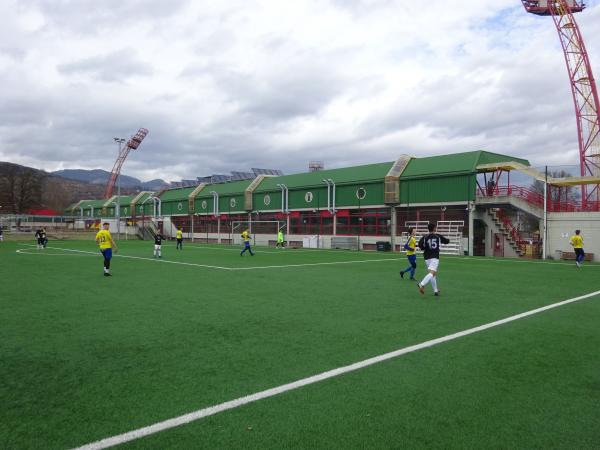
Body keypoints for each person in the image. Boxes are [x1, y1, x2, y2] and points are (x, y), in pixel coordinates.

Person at [417, 223, 450, 296]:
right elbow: (446, 241)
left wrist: (424, 247)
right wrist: (448, 240)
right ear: (434, 228)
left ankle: (435, 291)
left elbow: (420, 245)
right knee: (432, 273)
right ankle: (421, 284)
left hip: (426, 257)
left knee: (433, 274)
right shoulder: (438, 236)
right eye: (436, 227)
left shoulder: (425, 237)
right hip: (434, 257)